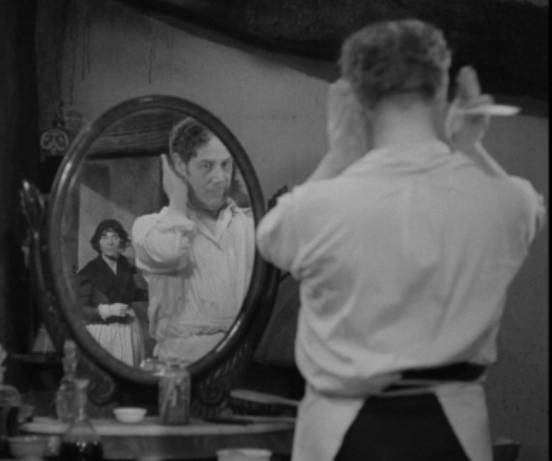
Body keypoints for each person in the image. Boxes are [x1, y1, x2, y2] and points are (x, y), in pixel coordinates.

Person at [256, 19, 546, 461]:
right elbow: (530, 213)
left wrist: (339, 153)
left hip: (339, 436)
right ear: (443, 86)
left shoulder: (316, 208)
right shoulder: (504, 202)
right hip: (456, 436)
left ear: (356, 97)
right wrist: (470, 148)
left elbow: (270, 238)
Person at [132, 118, 255, 363]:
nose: (220, 178)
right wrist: (177, 197)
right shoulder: (149, 228)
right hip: (177, 368)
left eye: (226, 165)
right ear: (180, 164)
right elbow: (170, 252)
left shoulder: (248, 226)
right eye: (206, 166)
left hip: (237, 364)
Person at [76, 219, 148, 366]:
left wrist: (154, 292)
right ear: (98, 242)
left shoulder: (127, 265)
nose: (110, 242)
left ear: (121, 241)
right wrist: (107, 310)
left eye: (114, 237)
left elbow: (132, 292)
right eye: (104, 237)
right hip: (104, 334)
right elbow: (79, 309)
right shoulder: (88, 272)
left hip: (130, 331)